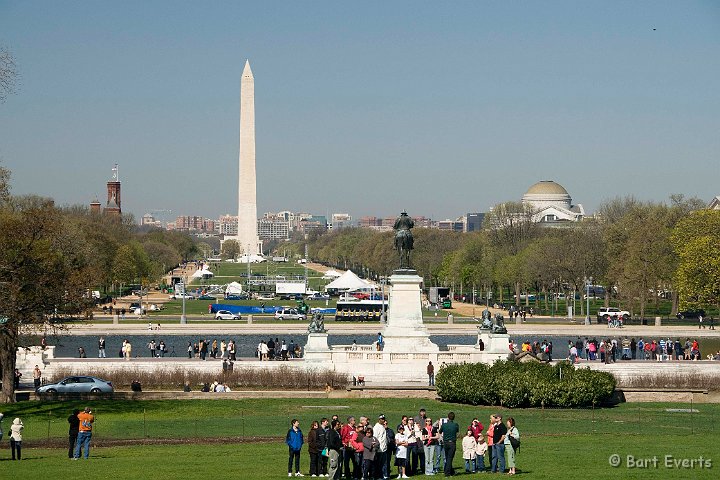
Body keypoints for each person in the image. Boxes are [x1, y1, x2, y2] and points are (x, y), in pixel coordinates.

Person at [439, 412, 459, 476]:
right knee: (450, 458)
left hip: (445, 443)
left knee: (448, 457)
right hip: (452, 443)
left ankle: (451, 471)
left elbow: (440, 431)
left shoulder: (444, 425)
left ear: (448, 417)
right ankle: (447, 473)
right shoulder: (455, 425)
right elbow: (457, 432)